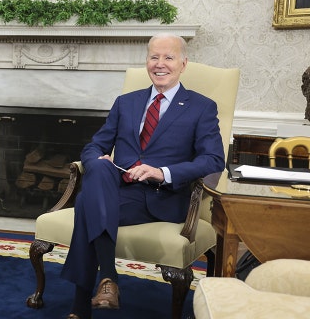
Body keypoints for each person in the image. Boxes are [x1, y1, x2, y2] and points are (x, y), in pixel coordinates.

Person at [62, 33, 225, 319]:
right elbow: (95, 146)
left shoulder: (202, 107)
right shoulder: (126, 102)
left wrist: (162, 173)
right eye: (154, 57)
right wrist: (96, 158)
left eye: (169, 57)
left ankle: (82, 303)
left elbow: (213, 160)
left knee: (88, 201)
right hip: (118, 188)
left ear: (183, 63)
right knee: (99, 167)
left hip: (161, 197)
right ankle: (108, 280)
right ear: (146, 61)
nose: (160, 64)